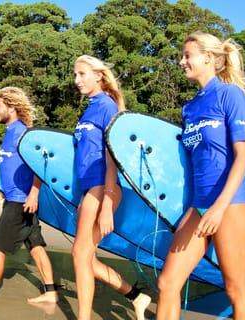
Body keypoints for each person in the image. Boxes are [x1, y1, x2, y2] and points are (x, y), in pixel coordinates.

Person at [156, 31, 245, 320]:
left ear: (208, 58)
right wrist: (191, 209)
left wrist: (219, 207)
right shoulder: (190, 107)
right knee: (168, 283)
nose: (182, 61)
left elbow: (242, 158)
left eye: (188, 55)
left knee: (236, 289)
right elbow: (192, 167)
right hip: (199, 206)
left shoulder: (230, 94)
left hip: (231, 204)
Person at [71, 55, 151, 320]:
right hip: (89, 187)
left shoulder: (107, 106)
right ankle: (137, 297)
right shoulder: (91, 107)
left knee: (80, 253)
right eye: (75, 75)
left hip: (102, 186)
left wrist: (107, 202)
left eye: (82, 74)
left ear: (99, 75)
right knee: (86, 257)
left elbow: (111, 156)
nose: (77, 80)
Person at [0, 87, 59, 309]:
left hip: (20, 201)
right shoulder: (9, 132)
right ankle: (51, 292)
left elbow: (40, 166)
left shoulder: (22, 133)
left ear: (11, 107)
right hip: (15, 198)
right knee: (35, 245)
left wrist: (34, 193)